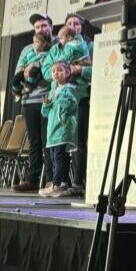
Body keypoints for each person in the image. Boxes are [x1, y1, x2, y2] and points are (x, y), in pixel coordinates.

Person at [12, 13, 54, 192]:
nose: (41, 29)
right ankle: (32, 179)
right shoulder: (27, 50)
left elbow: (54, 73)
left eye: (44, 26)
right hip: (29, 100)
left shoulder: (55, 48)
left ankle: (52, 180)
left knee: (48, 141)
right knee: (34, 141)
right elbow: (19, 70)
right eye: (37, 27)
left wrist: (36, 71)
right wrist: (26, 72)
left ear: (50, 28)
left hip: (47, 100)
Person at [41, 61, 79, 197]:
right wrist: (46, 104)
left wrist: (55, 102)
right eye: (53, 71)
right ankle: (62, 183)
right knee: (53, 157)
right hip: (52, 130)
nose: (56, 73)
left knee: (59, 157)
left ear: (68, 73)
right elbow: (45, 113)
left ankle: (56, 184)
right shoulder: (53, 91)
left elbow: (70, 105)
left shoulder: (70, 89)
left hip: (62, 129)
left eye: (60, 70)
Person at [65, 13, 93, 191]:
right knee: (65, 142)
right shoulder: (60, 46)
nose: (74, 26)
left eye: (77, 23)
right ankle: (61, 182)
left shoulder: (90, 46)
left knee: (80, 141)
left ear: (82, 27)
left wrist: (78, 70)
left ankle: (78, 182)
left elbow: (96, 69)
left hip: (82, 97)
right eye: (70, 23)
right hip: (64, 100)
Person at [10, 31, 51, 101]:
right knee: (15, 79)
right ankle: (17, 92)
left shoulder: (46, 54)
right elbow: (22, 62)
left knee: (33, 71)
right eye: (34, 42)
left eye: (37, 42)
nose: (34, 44)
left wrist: (33, 65)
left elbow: (45, 63)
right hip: (25, 69)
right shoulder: (29, 51)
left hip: (36, 71)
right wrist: (23, 69)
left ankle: (29, 86)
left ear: (44, 43)